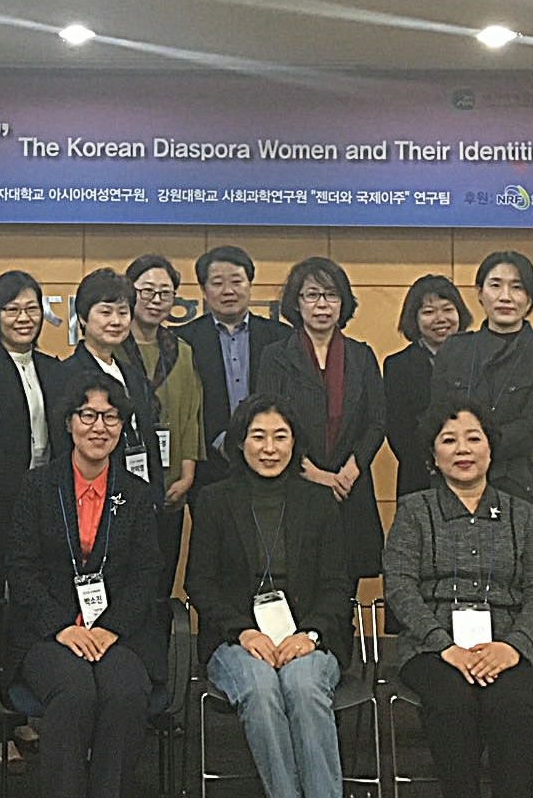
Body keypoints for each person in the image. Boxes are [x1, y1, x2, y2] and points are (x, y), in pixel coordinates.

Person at [381, 399, 533, 798]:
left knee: (511, 705)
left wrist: (514, 646)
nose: (463, 449)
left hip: (505, 643)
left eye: (473, 438)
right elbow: (400, 587)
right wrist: (445, 646)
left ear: (490, 449)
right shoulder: (415, 511)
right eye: (449, 440)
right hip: (432, 646)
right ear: (433, 456)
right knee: (453, 703)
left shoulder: (522, 514)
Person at [4, 374, 167, 798]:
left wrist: (111, 628)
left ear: (122, 426)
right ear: (69, 422)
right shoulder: (38, 487)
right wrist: (65, 626)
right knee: (73, 693)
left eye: (110, 417)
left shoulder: (136, 495)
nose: (99, 427)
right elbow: (20, 569)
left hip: (117, 633)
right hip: (50, 633)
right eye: (88, 415)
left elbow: (148, 574)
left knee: (125, 692)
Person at [185, 394, 355, 798]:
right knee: (260, 689)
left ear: (295, 443)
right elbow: (200, 583)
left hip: (308, 637)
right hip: (237, 639)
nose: (269, 447)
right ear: (240, 443)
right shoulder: (214, 501)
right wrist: (244, 631)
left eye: (280, 436)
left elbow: (337, 585)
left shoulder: (319, 501)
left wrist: (310, 635)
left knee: (302, 686)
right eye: (258, 436)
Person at [0, 270, 68, 769]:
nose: (23, 318)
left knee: (35, 611)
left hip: (47, 510)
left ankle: (24, 712)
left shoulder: (54, 369)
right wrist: (28, 498)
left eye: (31, 308)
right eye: (12, 309)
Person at [429, 251, 533, 574]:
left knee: (527, 585)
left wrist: (474, 450)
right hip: (456, 487)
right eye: (495, 285)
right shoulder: (454, 349)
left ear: (530, 298)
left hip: (520, 486)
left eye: (517, 287)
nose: (505, 296)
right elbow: (438, 416)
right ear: (479, 293)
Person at [256, 257, 386, 583]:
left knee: (346, 578)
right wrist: (312, 472)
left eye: (331, 295)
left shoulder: (361, 355)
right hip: (295, 482)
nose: (322, 305)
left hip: (349, 486)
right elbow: (269, 421)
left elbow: (376, 422)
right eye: (312, 295)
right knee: (298, 575)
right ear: (296, 303)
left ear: (343, 302)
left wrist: (351, 470)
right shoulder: (275, 356)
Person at [120, 255, 205, 597]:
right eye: (147, 291)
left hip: (171, 486)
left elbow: (191, 416)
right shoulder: (114, 348)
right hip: (122, 484)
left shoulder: (181, 351)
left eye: (165, 293)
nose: (156, 300)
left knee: (161, 578)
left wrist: (187, 476)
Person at [178, 245, 293, 492]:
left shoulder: (281, 338)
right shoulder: (182, 341)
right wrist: (226, 443)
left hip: (271, 460)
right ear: (204, 291)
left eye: (237, 281)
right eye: (217, 283)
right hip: (209, 465)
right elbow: (185, 408)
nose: (228, 291)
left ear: (250, 285)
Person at [58, 268, 163, 499]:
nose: (116, 321)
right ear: (83, 317)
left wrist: (156, 493)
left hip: (139, 493)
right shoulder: (65, 376)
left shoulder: (133, 376)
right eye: (105, 312)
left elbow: (148, 436)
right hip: (91, 496)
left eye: (123, 312)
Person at [383, 275, 472, 498]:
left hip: (473, 475)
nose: (440, 319)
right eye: (429, 312)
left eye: (448, 309)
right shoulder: (397, 365)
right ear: (414, 318)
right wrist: (437, 460)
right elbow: (398, 430)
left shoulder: (477, 359)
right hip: (419, 476)